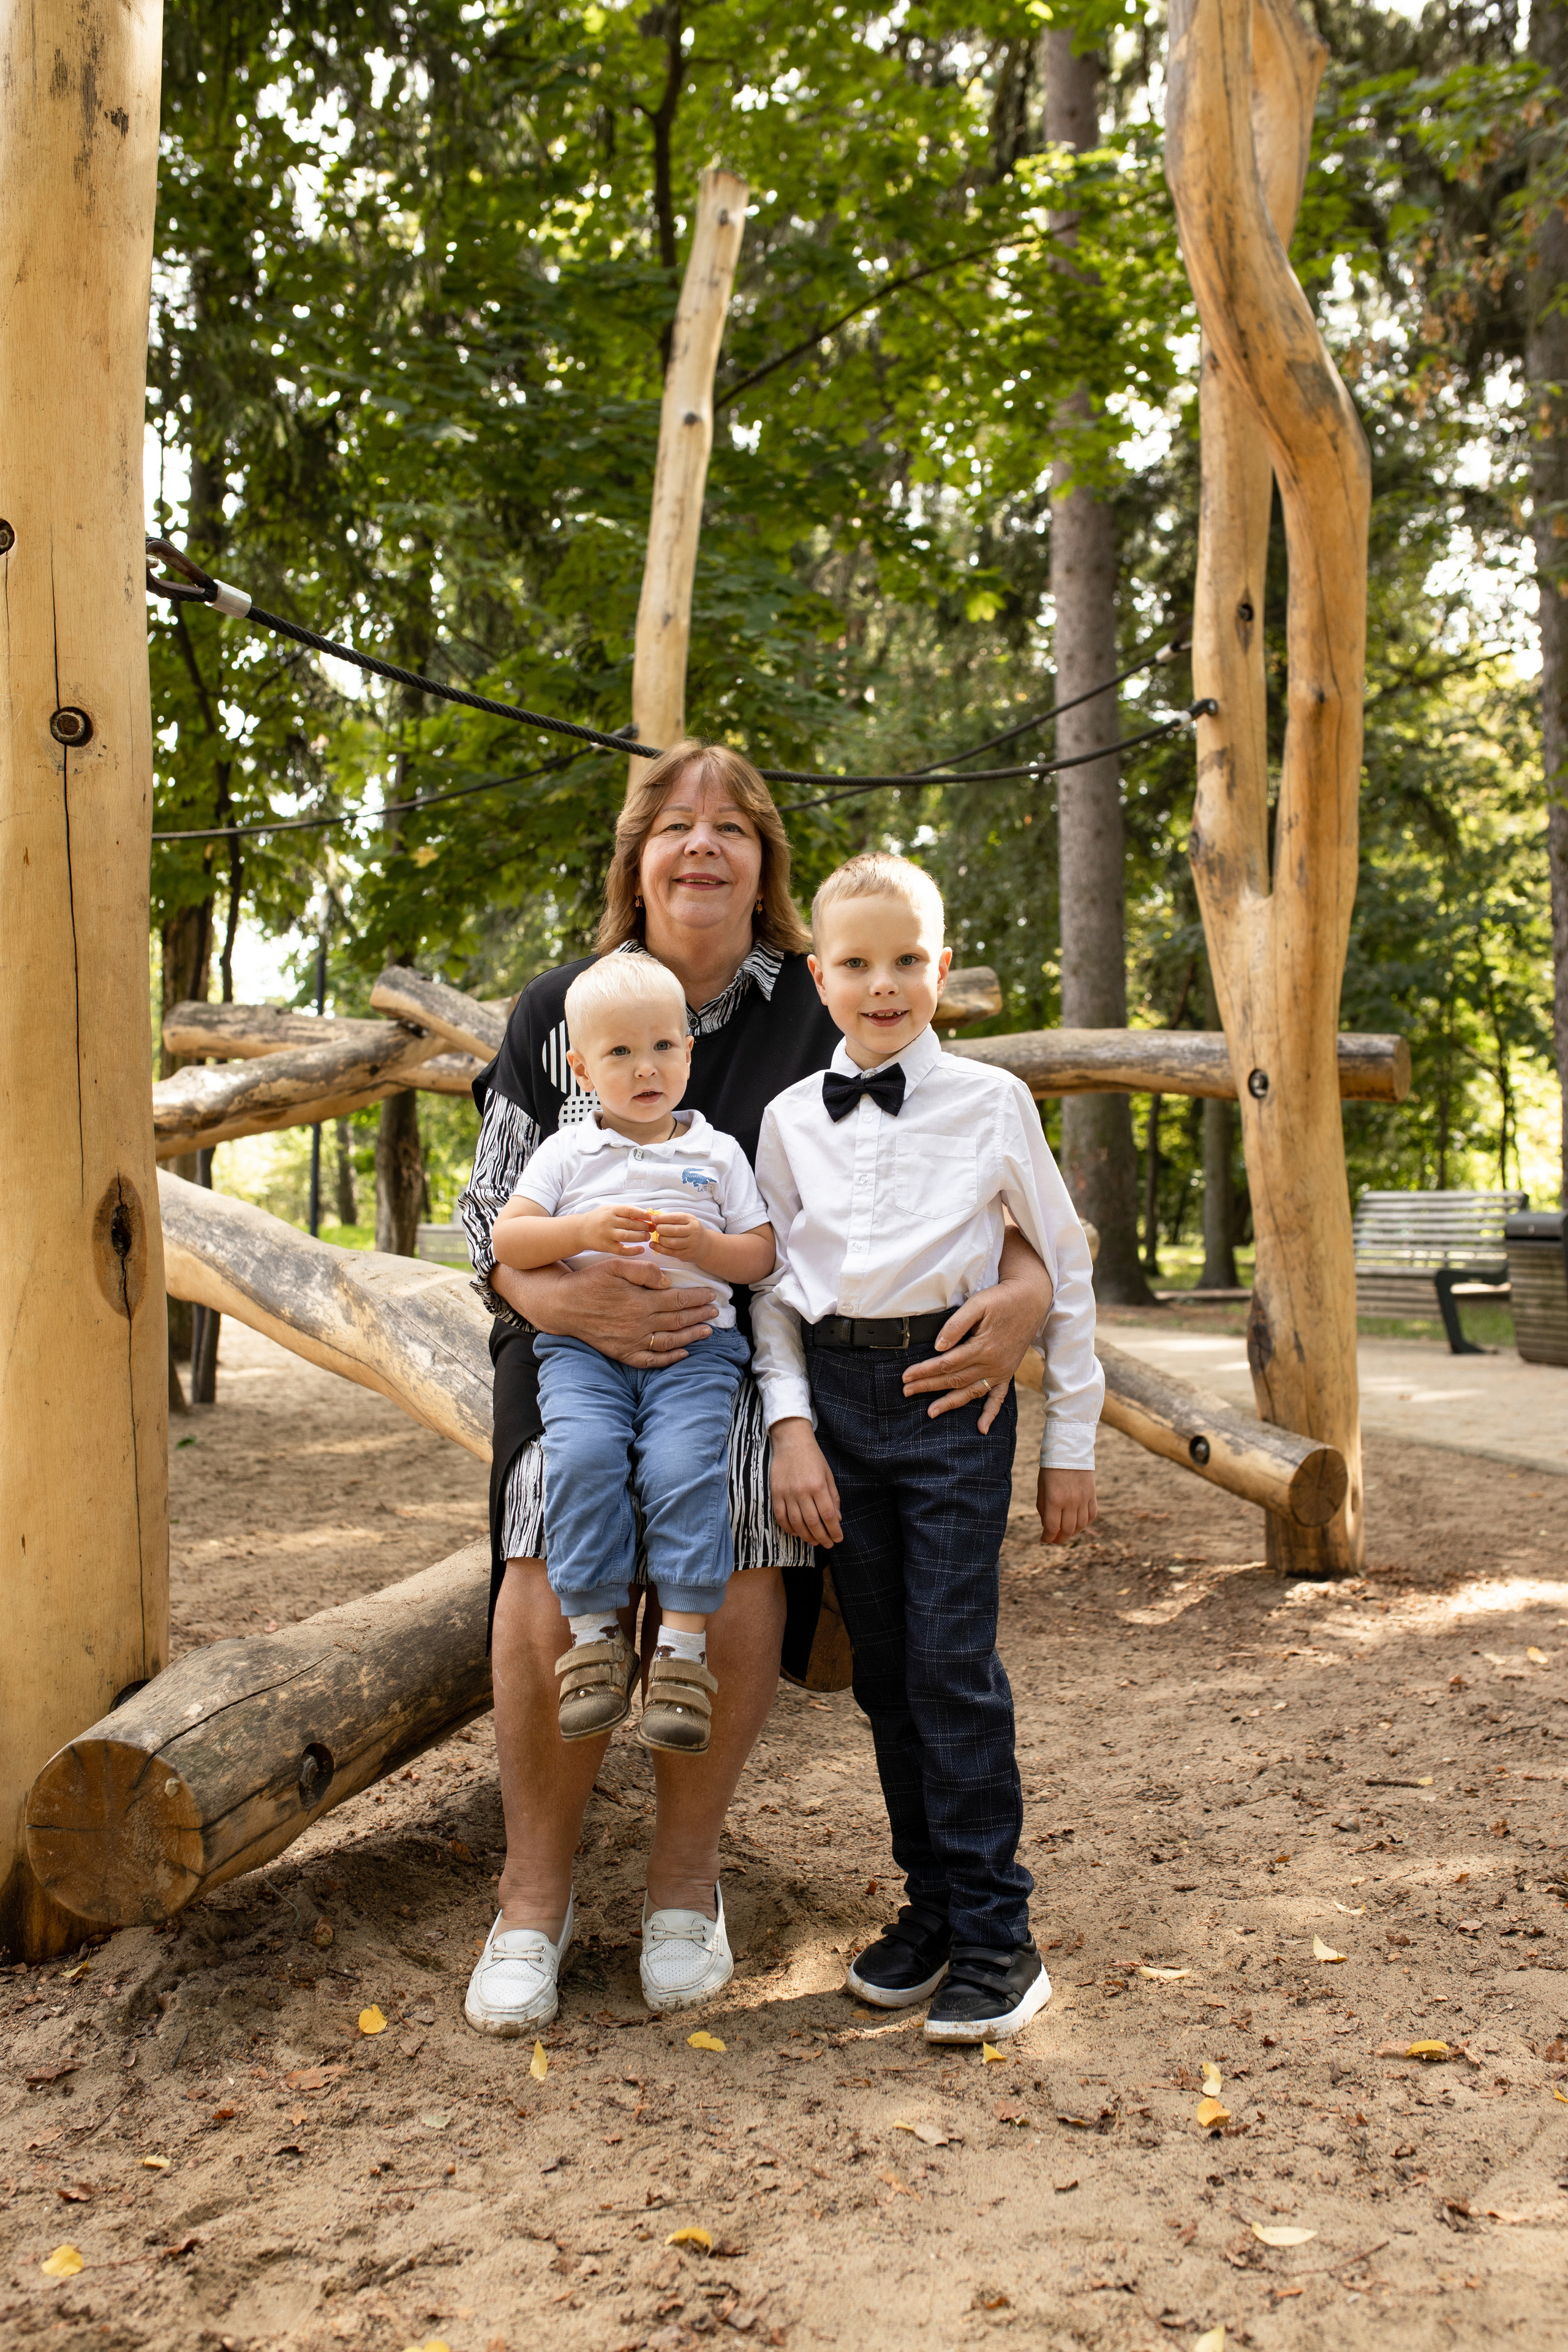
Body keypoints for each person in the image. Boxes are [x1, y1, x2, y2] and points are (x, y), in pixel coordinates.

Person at [458, 741, 1055, 2035]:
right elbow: (483, 1207)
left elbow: (945, 1155)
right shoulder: (559, 1003)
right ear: (636, 857)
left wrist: (1021, 1289)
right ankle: (531, 1899)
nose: (701, 844)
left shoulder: (816, 998)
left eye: (731, 824)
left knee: (732, 1522)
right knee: (547, 1508)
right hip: (560, 1328)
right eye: (673, 824)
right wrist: (551, 1299)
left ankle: (683, 1886)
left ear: (764, 860)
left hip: (744, 1341)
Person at [752, 851, 1102, 2045]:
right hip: (838, 1409)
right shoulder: (791, 1119)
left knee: (953, 1671)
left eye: (907, 960)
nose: (883, 983)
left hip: (955, 1404)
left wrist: (1072, 1444)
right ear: (819, 975)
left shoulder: (991, 1102)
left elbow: (1059, 1268)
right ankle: (935, 1911)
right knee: (889, 1680)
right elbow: (770, 1292)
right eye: (855, 963)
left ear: (940, 970)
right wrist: (790, 1423)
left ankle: (1002, 1938)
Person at [490, 951, 775, 1755]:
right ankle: (593, 1642)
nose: (643, 1068)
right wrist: (578, 1232)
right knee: (582, 1459)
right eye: (618, 1053)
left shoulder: (717, 1155)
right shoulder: (566, 1154)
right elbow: (509, 1237)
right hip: (584, 1353)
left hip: (697, 1350)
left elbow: (761, 1253)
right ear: (580, 1068)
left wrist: (711, 1249)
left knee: (684, 1468)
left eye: (661, 1047)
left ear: (689, 1051)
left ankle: (682, 1654)